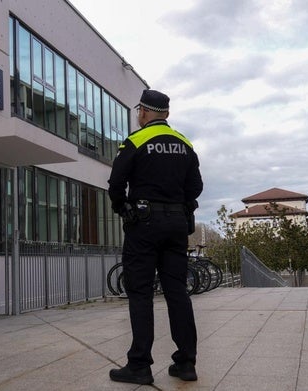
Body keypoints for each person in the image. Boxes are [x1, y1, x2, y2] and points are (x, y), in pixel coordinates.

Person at [108, 89, 203, 384]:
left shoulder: (135, 141)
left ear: (144, 113)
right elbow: (196, 187)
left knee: (141, 293)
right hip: (176, 224)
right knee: (177, 292)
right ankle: (186, 363)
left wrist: (123, 208)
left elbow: (116, 184)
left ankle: (139, 365)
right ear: (167, 115)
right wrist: (181, 207)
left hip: (144, 224)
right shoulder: (185, 144)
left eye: (139, 111)